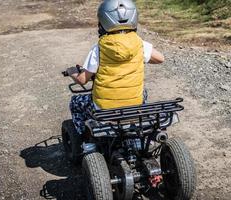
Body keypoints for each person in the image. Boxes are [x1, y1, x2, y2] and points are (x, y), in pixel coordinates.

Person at [66, 0, 164, 135]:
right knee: (143, 92)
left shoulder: (99, 48)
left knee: (76, 102)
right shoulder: (139, 44)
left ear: (103, 21)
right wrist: (141, 58)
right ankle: (134, 122)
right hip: (134, 105)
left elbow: (82, 80)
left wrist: (72, 72)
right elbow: (160, 58)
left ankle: (83, 140)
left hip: (104, 108)